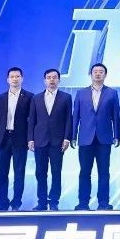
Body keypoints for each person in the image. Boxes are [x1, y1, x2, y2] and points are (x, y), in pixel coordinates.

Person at [73, 62, 120, 210]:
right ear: (91, 74)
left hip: (104, 138)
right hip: (85, 138)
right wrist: (73, 135)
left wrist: (117, 135)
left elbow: (116, 116)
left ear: (105, 75)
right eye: (95, 71)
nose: (98, 74)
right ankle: (83, 203)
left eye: (101, 71)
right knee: (84, 172)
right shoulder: (81, 93)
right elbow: (75, 116)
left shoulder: (112, 93)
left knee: (104, 172)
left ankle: (103, 203)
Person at [27, 68, 71, 210]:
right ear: (44, 80)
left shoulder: (66, 97)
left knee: (56, 172)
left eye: (54, 77)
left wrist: (67, 138)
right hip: (40, 140)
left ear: (59, 80)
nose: (52, 80)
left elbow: (68, 120)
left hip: (58, 141)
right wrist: (30, 139)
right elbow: (32, 120)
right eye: (49, 77)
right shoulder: (36, 98)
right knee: (40, 173)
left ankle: (54, 201)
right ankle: (41, 201)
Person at [0, 67, 34, 211]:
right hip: (3, 139)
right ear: (7, 79)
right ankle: (2, 202)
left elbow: (32, 120)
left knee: (19, 173)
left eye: (17, 76)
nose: (15, 79)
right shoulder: (0, 98)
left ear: (22, 78)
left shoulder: (29, 97)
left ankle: (17, 202)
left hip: (20, 140)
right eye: (12, 76)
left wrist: (30, 139)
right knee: (1, 174)